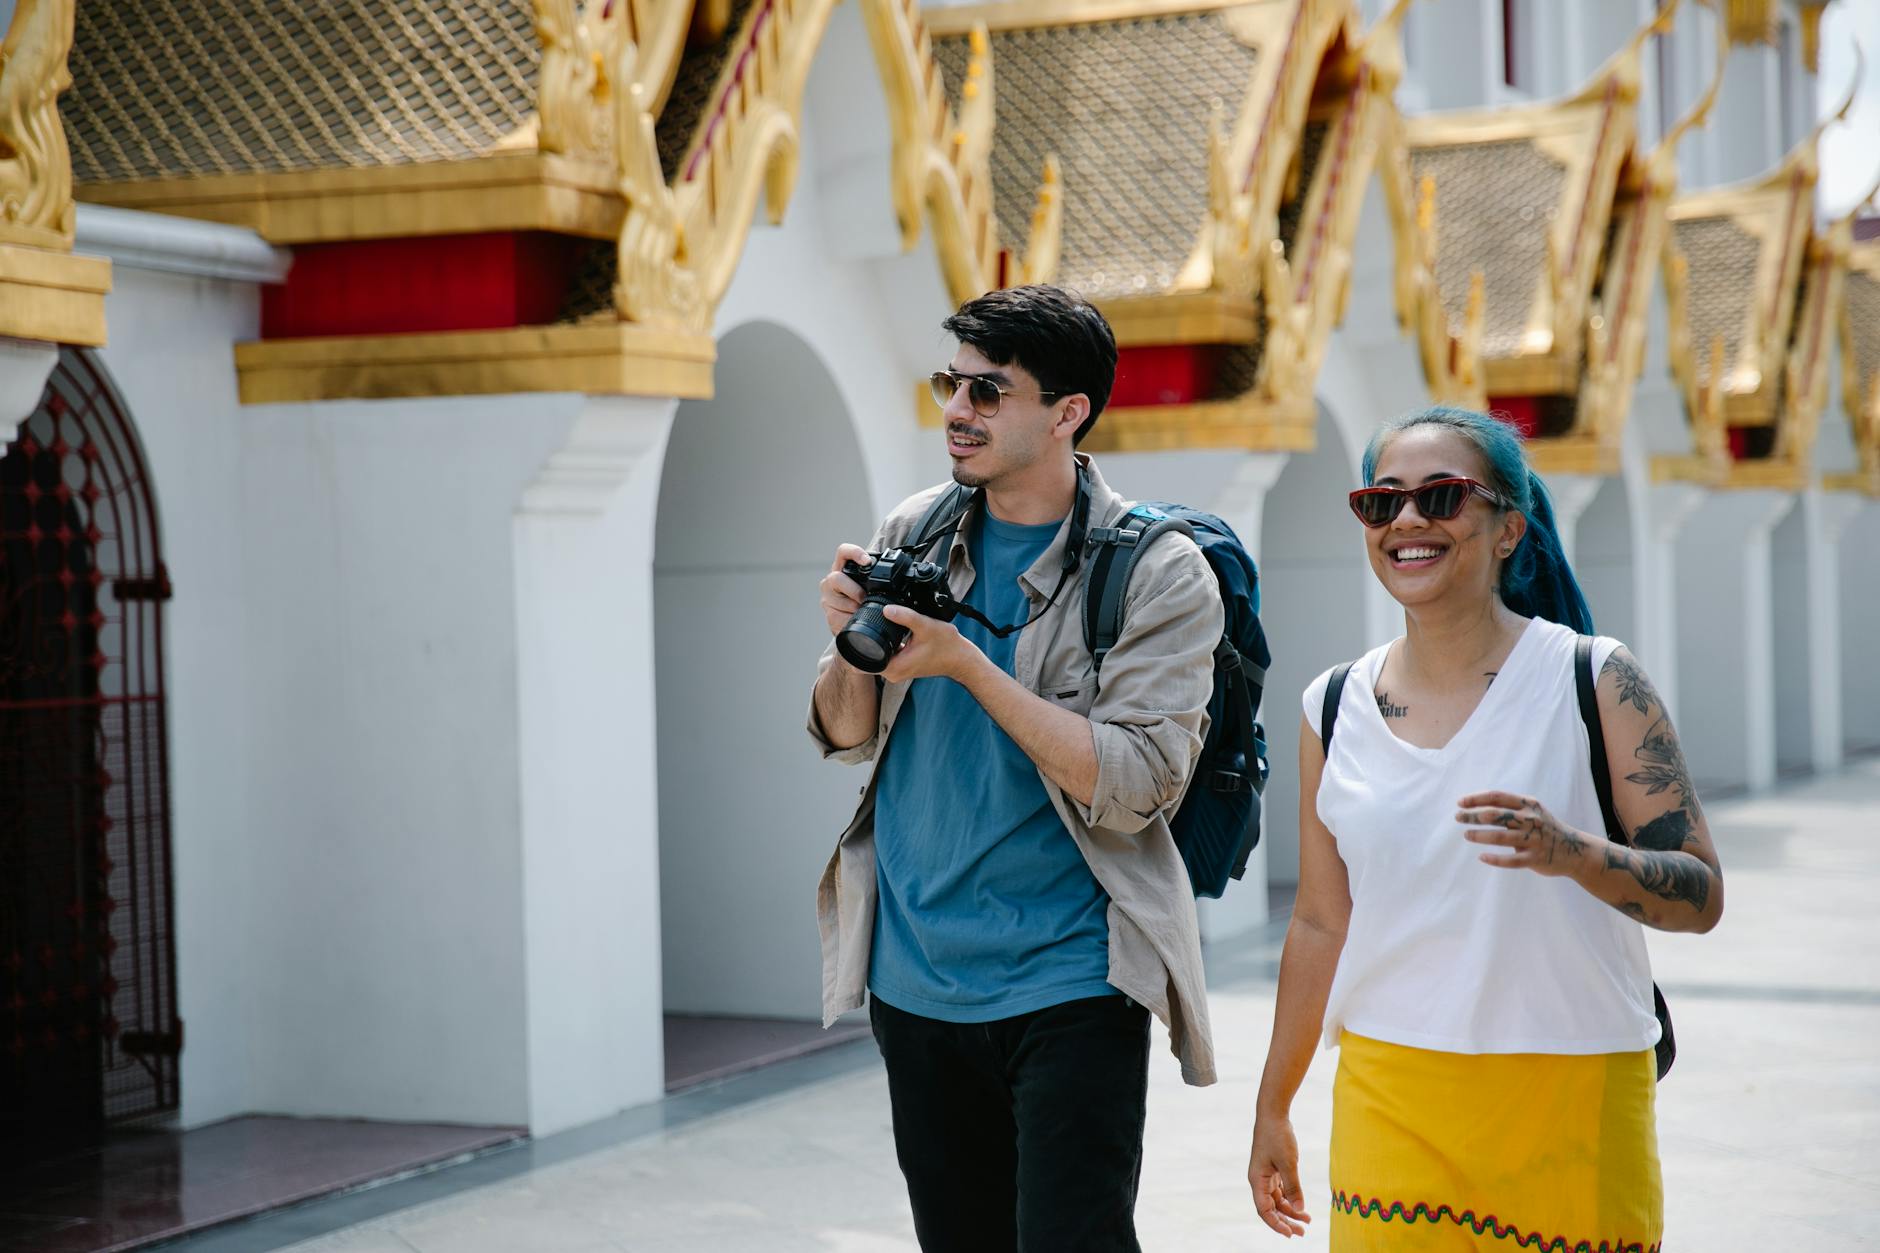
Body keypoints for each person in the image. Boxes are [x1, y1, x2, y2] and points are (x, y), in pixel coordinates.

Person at [1246, 406, 1724, 1249]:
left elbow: (1699, 892)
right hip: (1390, 1090)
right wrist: (1272, 1104)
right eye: (1380, 501)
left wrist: (1572, 853)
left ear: (1508, 527)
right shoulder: (1332, 704)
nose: (1407, 522)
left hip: (1571, 1083)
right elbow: (1321, 921)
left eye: (1441, 497)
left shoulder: (1593, 677)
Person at [807, 285, 1222, 1252]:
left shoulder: (1155, 572)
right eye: (953, 384)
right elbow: (842, 734)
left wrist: (964, 663)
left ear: (1067, 412)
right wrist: (844, 645)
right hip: (913, 975)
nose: (957, 410)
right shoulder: (918, 527)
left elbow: (1138, 780)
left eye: (989, 392)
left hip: (1070, 979)